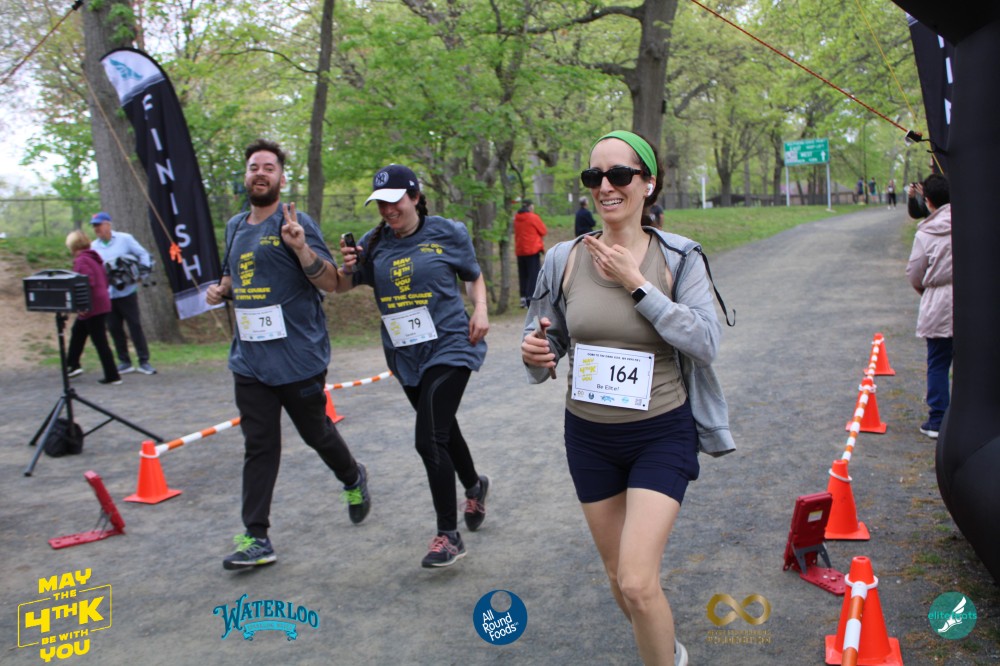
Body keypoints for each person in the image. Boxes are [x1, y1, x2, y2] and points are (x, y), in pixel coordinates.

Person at [521, 130, 727, 666]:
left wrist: (639, 286)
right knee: (618, 578)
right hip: (589, 437)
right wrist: (537, 353)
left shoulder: (679, 257)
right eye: (595, 176)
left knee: (637, 580)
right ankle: (668, 653)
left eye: (619, 174)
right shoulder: (563, 259)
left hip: (660, 431)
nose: (606, 186)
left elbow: (706, 343)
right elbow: (545, 339)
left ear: (648, 183)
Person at [205, 139, 371, 570]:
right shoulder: (235, 226)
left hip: (298, 357)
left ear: (281, 178)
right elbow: (234, 275)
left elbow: (331, 281)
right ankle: (256, 537)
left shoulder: (297, 222)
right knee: (259, 445)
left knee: (316, 433)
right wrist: (221, 290)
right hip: (249, 360)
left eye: (269, 167)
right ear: (246, 176)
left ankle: (352, 476)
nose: (260, 173)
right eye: (253, 167)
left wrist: (299, 246)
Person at [337, 163, 491, 569]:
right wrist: (349, 265)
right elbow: (343, 283)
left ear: (415, 197)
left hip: (450, 344)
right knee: (442, 430)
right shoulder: (374, 243)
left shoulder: (447, 232)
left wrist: (480, 308)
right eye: (380, 204)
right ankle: (474, 485)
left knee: (428, 439)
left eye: (395, 201)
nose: (388, 210)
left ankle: (448, 535)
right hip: (405, 354)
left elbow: (473, 275)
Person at [906, 173, 953, 439]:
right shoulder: (970, 222)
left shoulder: (926, 233)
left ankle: (938, 420)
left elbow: (915, 272)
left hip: (938, 301)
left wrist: (927, 291)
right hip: (971, 301)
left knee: (938, 362)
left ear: (929, 201)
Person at [89, 211, 157, 376]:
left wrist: (141, 274)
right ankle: (124, 361)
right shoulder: (93, 246)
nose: (96, 229)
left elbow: (143, 254)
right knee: (114, 328)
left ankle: (144, 361)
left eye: (99, 225)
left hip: (127, 291)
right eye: (94, 226)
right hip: (108, 294)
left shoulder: (125, 239)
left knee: (134, 325)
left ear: (108, 224)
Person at [64, 230, 122, 386]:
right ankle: (72, 364)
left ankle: (112, 375)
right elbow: (104, 279)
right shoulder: (94, 258)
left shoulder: (81, 261)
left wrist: (82, 305)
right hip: (101, 302)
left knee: (100, 341)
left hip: (92, 305)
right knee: (78, 332)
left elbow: (85, 283)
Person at [513, 199, 548, 308]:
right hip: (532, 249)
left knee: (523, 275)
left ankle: (523, 298)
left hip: (520, 250)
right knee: (533, 275)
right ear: (530, 207)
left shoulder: (516, 218)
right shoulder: (533, 217)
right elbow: (543, 231)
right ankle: (531, 298)